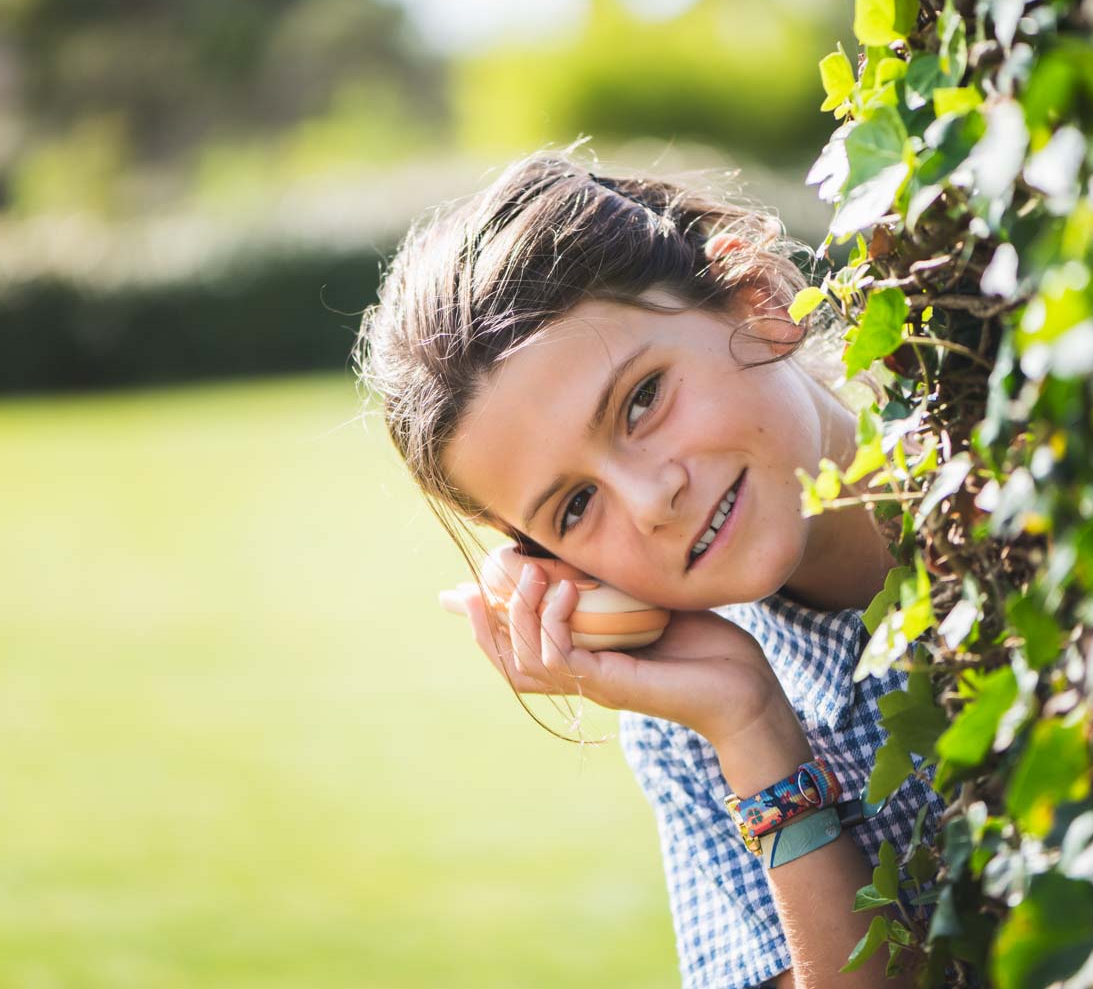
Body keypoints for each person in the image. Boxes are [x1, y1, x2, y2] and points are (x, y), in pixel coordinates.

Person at [354, 148, 943, 989]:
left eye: (641, 399)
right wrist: (751, 727)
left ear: (756, 298)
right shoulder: (689, 725)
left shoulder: (1025, 455)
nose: (651, 497)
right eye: (575, 507)